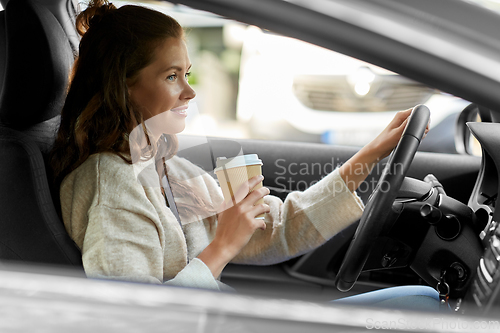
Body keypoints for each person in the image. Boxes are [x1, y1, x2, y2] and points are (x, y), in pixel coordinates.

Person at [50, 0, 437, 309]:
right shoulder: (111, 183)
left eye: (187, 74)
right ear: (124, 87)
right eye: (171, 77)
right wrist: (221, 248)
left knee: (423, 301)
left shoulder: (162, 166)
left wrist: (369, 156)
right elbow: (129, 317)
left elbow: (280, 229)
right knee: (424, 305)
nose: (190, 92)